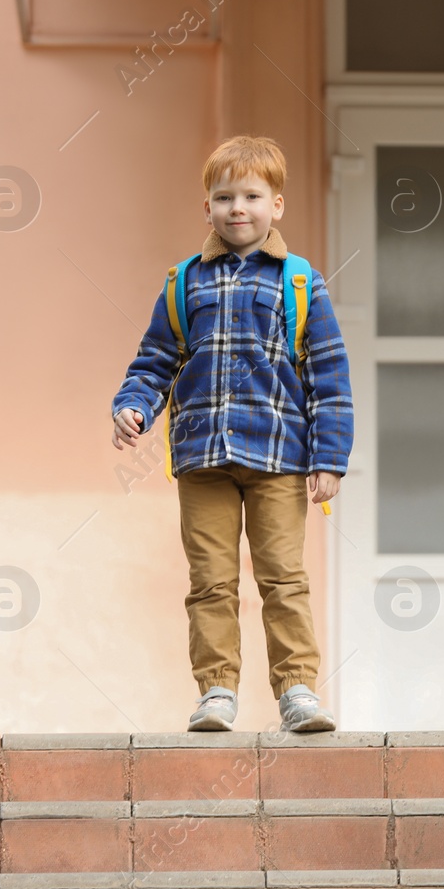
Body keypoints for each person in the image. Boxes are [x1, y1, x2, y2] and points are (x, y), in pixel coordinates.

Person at [110, 135, 352, 732]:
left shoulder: (300, 283)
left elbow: (329, 375)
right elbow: (154, 361)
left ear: (277, 205)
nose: (237, 208)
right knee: (211, 582)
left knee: (283, 579)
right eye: (224, 197)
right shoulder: (183, 283)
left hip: (277, 459)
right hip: (202, 458)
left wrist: (330, 458)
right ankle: (216, 691)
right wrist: (133, 405)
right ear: (207, 208)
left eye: (251, 196)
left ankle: (298, 691)